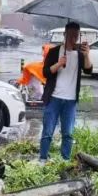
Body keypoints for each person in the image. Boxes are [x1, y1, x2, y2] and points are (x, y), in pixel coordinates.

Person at [39, 22, 92, 162]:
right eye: (71, 35)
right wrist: (58, 64)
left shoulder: (80, 55)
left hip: (70, 101)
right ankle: (43, 159)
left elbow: (88, 70)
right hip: (53, 98)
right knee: (47, 132)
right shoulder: (54, 52)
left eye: (76, 35)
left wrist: (86, 55)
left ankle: (65, 161)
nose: (73, 38)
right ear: (65, 35)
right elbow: (45, 73)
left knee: (68, 133)